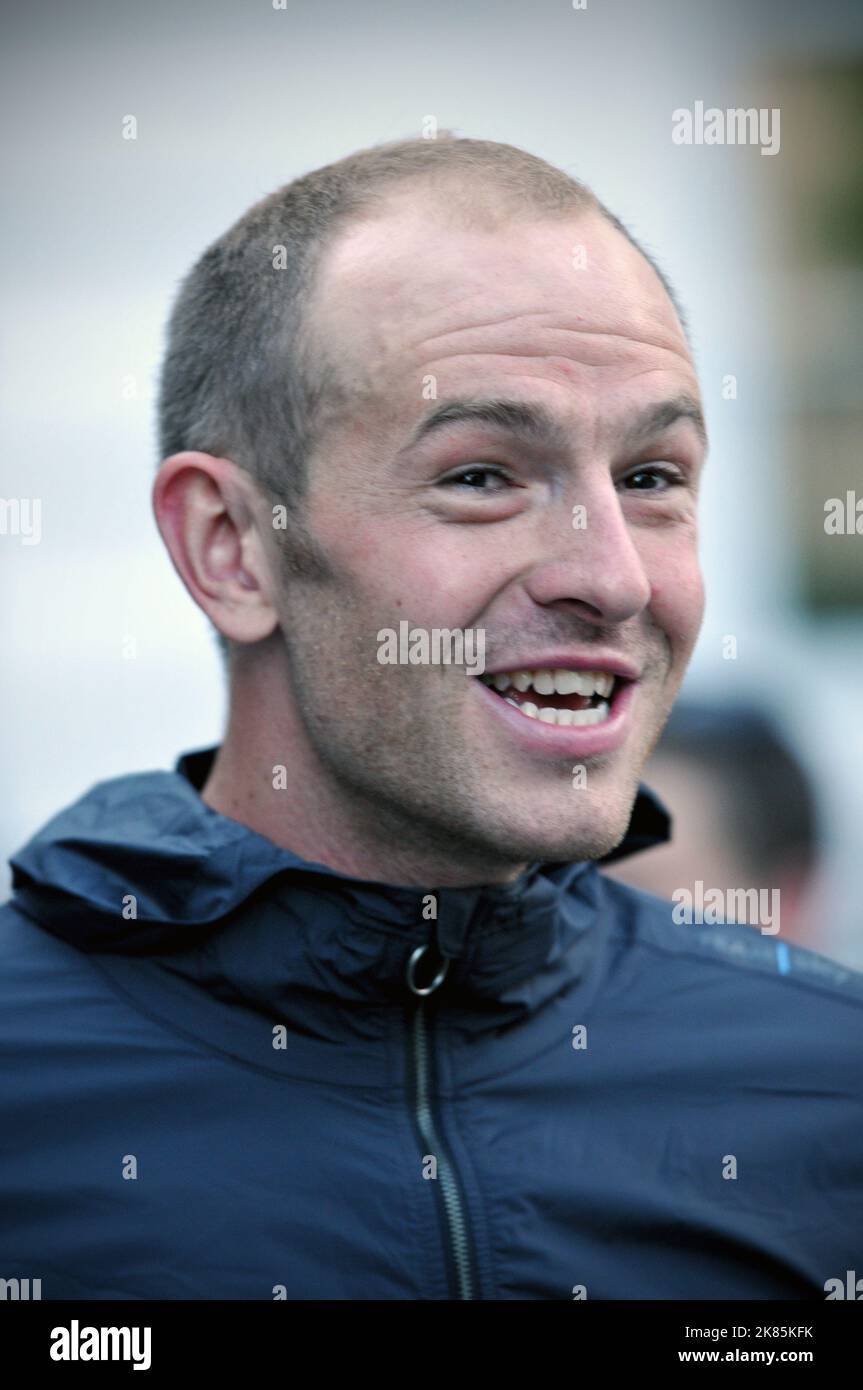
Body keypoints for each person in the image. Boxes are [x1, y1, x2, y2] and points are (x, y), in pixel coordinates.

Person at [2, 135, 861, 1301]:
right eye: (482, 476)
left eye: (652, 477)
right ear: (231, 546)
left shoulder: (826, 1080)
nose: (611, 579)